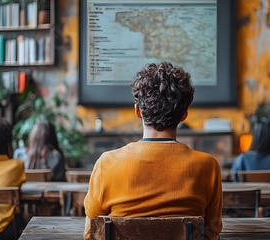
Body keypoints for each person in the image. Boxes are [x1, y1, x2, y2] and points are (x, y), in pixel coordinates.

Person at [83, 61, 223, 240]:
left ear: (137, 111)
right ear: (184, 115)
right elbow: (212, 232)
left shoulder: (106, 163)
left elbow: (91, 230)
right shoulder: (208, 166)